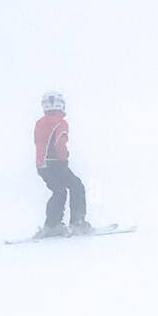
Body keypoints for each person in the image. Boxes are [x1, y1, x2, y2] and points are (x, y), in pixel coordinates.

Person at [32, 91, 92, 238]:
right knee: (77, 186)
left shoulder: (39, 123)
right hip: (56, 163)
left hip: (42, 165)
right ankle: (78, 222)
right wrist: (64, 157)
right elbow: (60, 142)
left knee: (59, 191)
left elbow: (38, 142)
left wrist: (42, 161)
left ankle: (52, 224)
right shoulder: (61, 122)